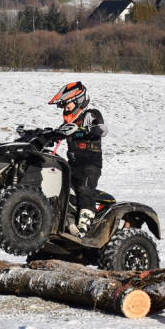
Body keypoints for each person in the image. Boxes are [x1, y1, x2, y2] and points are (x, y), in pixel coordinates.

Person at [49, 81, 108, 237]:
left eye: (67, 105)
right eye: (64, 106)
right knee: (62, 188)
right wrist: (49, 135)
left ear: (78, 101)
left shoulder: (90, 115)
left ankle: (83, 228)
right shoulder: (68, 122)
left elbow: (103, 129)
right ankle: (66, 221)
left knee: (84, 190)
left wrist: (87, 130)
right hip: (72, 164)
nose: (65, 109)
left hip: (90, 164)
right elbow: (59, 134)